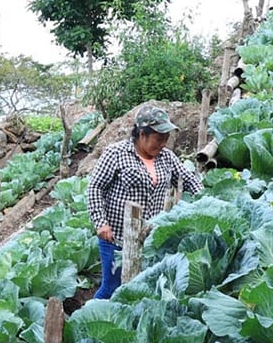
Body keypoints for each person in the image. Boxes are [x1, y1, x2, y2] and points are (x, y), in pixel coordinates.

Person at [85, 105, 203, 299]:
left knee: (142, 287)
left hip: (150, 239)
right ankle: (88, 322)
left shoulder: (167, 157)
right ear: (142, 134)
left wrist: (204, 198)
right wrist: (101, 223)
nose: (163, 144)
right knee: (112, 287)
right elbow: (95, 187)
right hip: (116, 237)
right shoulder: (116, 153)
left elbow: (188, 179)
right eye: (158, 138)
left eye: (166, 138)